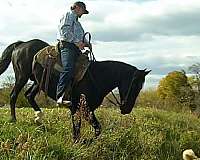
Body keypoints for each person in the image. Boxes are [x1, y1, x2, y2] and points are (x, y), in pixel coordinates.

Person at [56, 1, 89, 105]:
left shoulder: (77, 23)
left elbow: (81, 37)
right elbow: (64, 32)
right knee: (68, 68)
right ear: (77, 8)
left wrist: (87, 43)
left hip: (75, 48)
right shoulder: (68, 15)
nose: (82, 14)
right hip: (67, 46)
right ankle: (60, 96)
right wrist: (77, 42)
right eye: (83, 11)